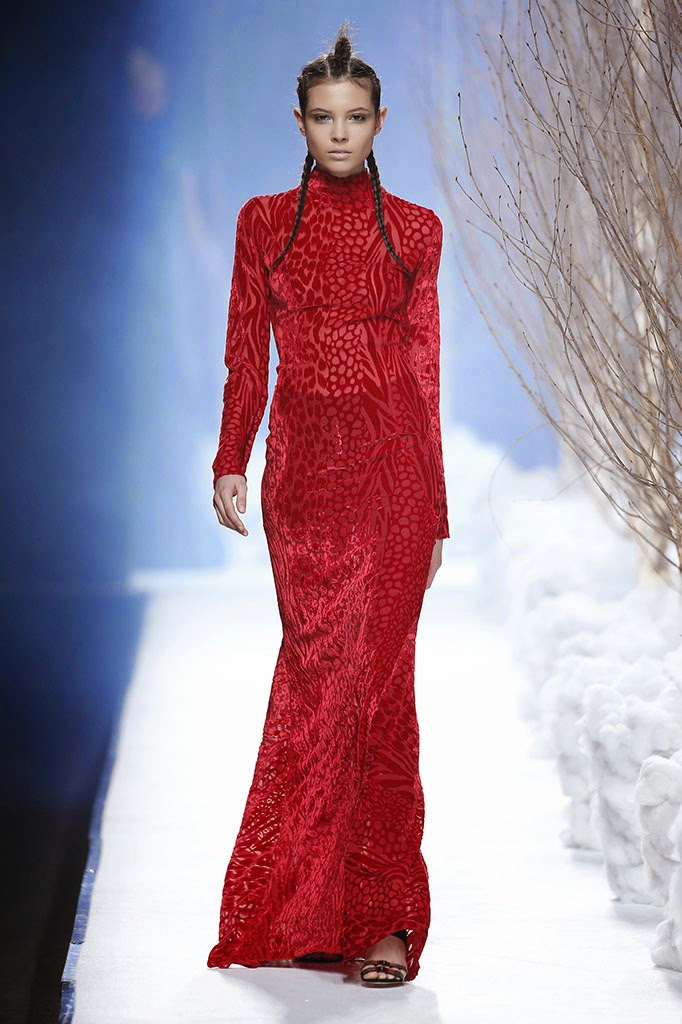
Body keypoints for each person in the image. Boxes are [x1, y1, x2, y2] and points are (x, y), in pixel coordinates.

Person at [208, 22, 449, 988]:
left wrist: (435, 511)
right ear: (300, 122)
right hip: (302, 486)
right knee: (317, 686)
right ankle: (307, 910)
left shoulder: (417, 231)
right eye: (323, 118)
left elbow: (425, 373)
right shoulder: (264, 223)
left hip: (392, 480)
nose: (340, 133)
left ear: (381, 122)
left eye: (355, 118)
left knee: (381, 692)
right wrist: (231, 456)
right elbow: (244, 352)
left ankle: (385, 922)